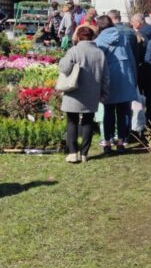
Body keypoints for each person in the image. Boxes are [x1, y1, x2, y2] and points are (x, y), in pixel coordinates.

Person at [59, 25, 109, 164]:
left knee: (72, 121)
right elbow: (106, 76)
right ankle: (84, 154)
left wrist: (62, 59)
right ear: (92, 37)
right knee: (88, 121)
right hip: (92, 92)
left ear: (78, 37)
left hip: (74, 92)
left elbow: (64, 68)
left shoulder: (74, 51)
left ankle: (73, 153)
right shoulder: (99, 53)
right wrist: (104, 93)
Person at [95, 14, 138, 155]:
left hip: (108, 79)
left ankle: (107, 142)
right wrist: (134, 78)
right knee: (124, 112)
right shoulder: (123, 37)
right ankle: (121, 142)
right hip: (125, 77)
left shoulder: (98, 41)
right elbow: (131, 58)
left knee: (108, 112)